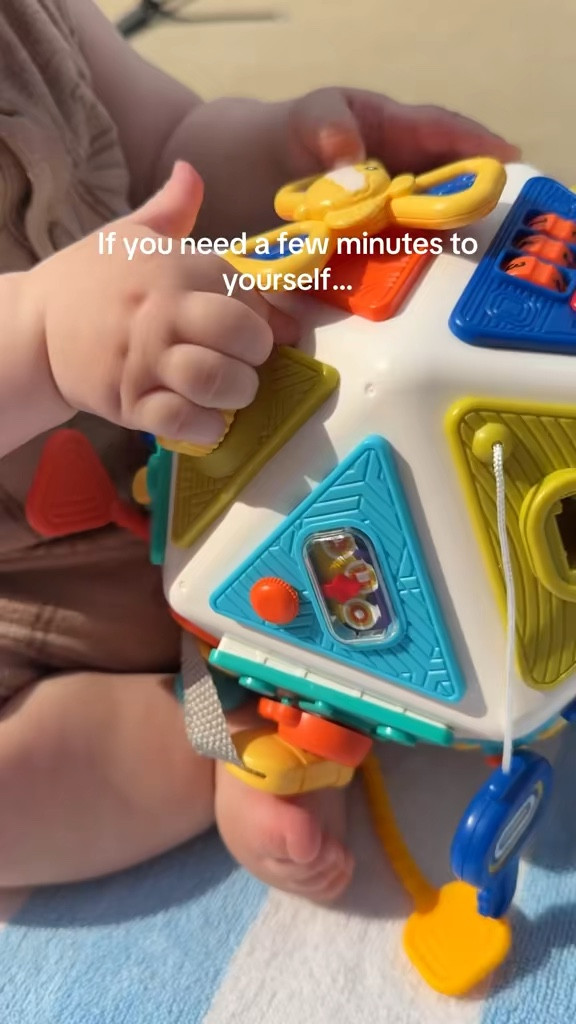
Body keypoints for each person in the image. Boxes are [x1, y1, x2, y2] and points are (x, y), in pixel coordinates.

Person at [0, 0, 519, 900]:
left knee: (369, 506)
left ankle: (276, 690)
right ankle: (221, 741)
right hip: (22, 608)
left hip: (190, 464)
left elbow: (171, 142)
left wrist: (286, 149)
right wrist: (42, 341)